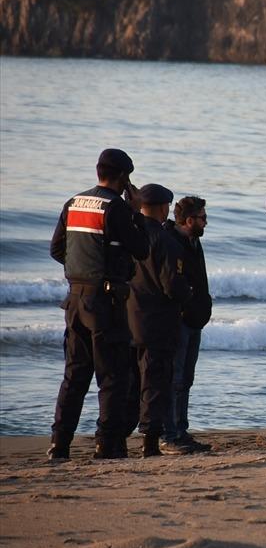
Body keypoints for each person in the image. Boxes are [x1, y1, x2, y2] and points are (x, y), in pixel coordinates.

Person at [48, 148, 150, 460]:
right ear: (122, 177)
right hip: (105, 302)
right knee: (113, 376)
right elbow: (142, 249)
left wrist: (82, 269)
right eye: (127, 179)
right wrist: (136, 213)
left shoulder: (74, 202)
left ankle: (59, 445)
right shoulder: (117, 207)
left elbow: (56, 249)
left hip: (75, 300)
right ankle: (108, 444)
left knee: (74, 376)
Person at [123, 183, 191, 457]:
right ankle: (150, 442)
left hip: (127, 319)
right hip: (158, 322)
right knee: (155, 382)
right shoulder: (165, 241)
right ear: (163, 209)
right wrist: (188, 293)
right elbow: (171, 285)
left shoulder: (128, 236)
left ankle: (115, 436)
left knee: (129, 383)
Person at [162, 195, 213, 454]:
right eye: (203, 218)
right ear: (189, 220)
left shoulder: (194, 241)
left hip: (195, 319)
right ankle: (169, 434)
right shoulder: (171, 241)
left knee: (185, 380)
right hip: (178, 320)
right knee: (175, 378)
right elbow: (171, 283)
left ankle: (181, 430)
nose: (206, 222)